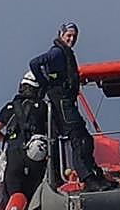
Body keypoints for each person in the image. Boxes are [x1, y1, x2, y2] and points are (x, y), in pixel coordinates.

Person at [28, 22, 113, 190]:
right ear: (61, 34)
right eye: (69, 35)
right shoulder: (57, 53)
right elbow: (34, 63)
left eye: (74, 36)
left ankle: (95, 173)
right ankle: (87, 179)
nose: (72, 39)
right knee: (79, 139)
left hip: (67, 100)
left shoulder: (65, 53)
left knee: (86, 139)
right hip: (62, 102)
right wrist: (46, 82)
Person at [0, 72, 50, 198]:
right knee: (34, 191)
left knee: (13, 193)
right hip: (36, 156)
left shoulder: (10, 107)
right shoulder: (44, 107)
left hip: (14, 154)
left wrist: (9, 140)